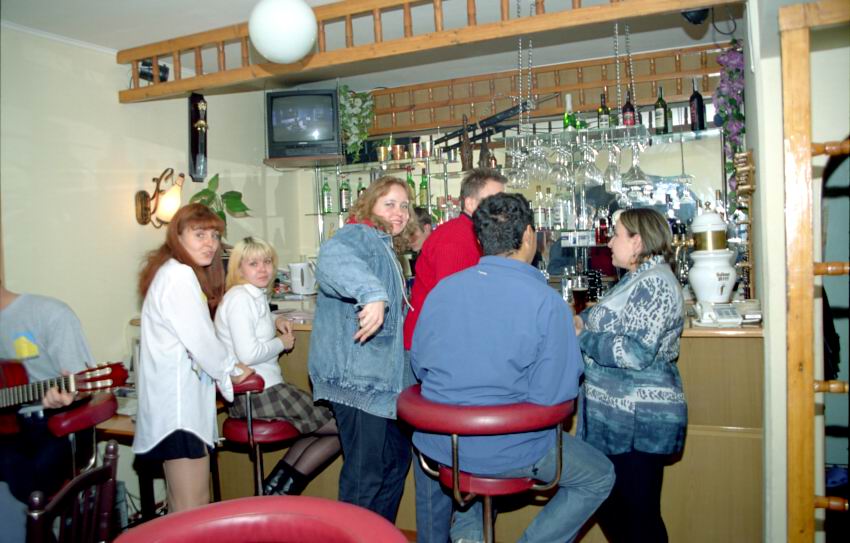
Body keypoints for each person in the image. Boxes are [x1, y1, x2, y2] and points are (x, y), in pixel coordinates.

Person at [411, 193, 614, 543]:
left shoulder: (442, 291)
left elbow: (420, 366)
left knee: (472, 470)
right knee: (600, 476)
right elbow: (555, 395)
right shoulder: (547, 303)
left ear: (480, 239)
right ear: (529, 236)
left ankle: (468, 536)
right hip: (510, 446)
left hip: (446, 445)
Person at [402, 168, 506, 543]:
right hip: (434, 359)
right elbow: (455, 313)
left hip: (451, 357)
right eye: (495, 201)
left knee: (461, 455)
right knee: (437, 458)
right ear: (470, 203)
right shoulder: (454, 239)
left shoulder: (479, 237)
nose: (503, 208)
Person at [573, 207, 686, 543]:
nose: (609, 242)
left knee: (639, 521)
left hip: (637, 422)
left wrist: (583, 336)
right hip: (617, 421)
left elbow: (634, 352)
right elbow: (610, 316)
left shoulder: (655, 284)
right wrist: (584, 319)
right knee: (617, 510)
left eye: (616, 234)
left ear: (637, 241)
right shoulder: (638, 278)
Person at [308, 176, 417, 522]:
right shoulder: (359, 235)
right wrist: (372, 295)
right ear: (370, 206)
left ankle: (377, 533)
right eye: (390, 204)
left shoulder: (386, 247)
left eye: (404, 206)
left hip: (382, 383)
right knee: (364, 476)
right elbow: (332, 258)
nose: (399, 212)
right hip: (357, 382)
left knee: (395, 461)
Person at [134, 203, 253, 514]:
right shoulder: (178, 275)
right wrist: (232, 369)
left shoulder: (174, 272)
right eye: (199, 234)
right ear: (178, 236)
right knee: (193, 509)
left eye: (214, 235)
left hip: (177, 408)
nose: (210, 243)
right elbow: (201, 340)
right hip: (178, 413)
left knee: (181, 508)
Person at [214, 236, 340, 495]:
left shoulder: (252, 294)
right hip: (259, 395)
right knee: (344, 430)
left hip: (264, 391)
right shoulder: (240, 299)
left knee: (315, 428)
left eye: (267, 262)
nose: (263, 269)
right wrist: (281, 343)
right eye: (253, 263)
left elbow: (256, 320)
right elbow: (248, 354)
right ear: (239, 269)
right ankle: (279, 493)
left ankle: (272, 492)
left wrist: (276, 319)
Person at [0, 282, 91, 543]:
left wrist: (68, 397)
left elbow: (83, 385)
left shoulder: (50, 314)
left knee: (21, 475)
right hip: (7, 429)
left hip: (52, 424)